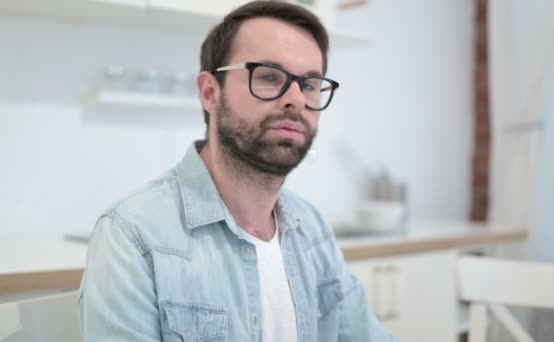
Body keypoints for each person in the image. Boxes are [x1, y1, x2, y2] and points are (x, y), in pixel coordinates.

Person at [79, 1, 397, 341]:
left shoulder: (313, 231)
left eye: (309, 84)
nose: (296, 99)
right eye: (269, 76)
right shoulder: (132, 237)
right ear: (210, 92)